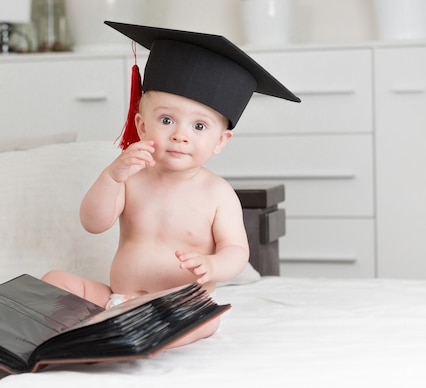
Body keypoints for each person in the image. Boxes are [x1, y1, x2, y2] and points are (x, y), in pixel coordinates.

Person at [42, 21, 300, 348]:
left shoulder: (217, 194)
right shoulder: (130, 177)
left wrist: (212, 265)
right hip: (118, 299)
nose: (180, 134)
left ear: (221, 141)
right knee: (55, 282)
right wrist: (111, 177)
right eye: (166, 120)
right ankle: (95, 334)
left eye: (199, 126)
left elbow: (236, 251)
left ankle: (138, 337)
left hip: (175, 307)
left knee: (208, 317)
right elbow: (93, 223)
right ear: (141, 124)